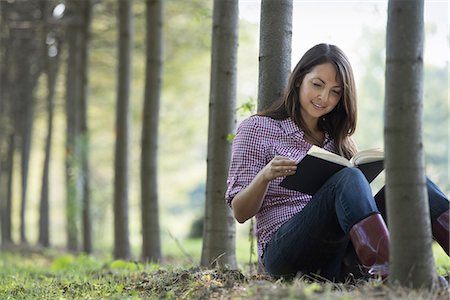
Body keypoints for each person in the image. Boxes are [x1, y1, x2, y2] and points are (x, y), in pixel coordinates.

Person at [225, 43, 449, 282]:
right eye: (318, 85)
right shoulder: (257, 129)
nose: (324, 98)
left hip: (339, 253)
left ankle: (377, 269)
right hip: (286, 253)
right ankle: (388, 276)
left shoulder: (337, 139)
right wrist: (265, 176)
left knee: (413, 184)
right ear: (299, 79)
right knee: (347, 178)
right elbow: (240, 212)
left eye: (336, 91)